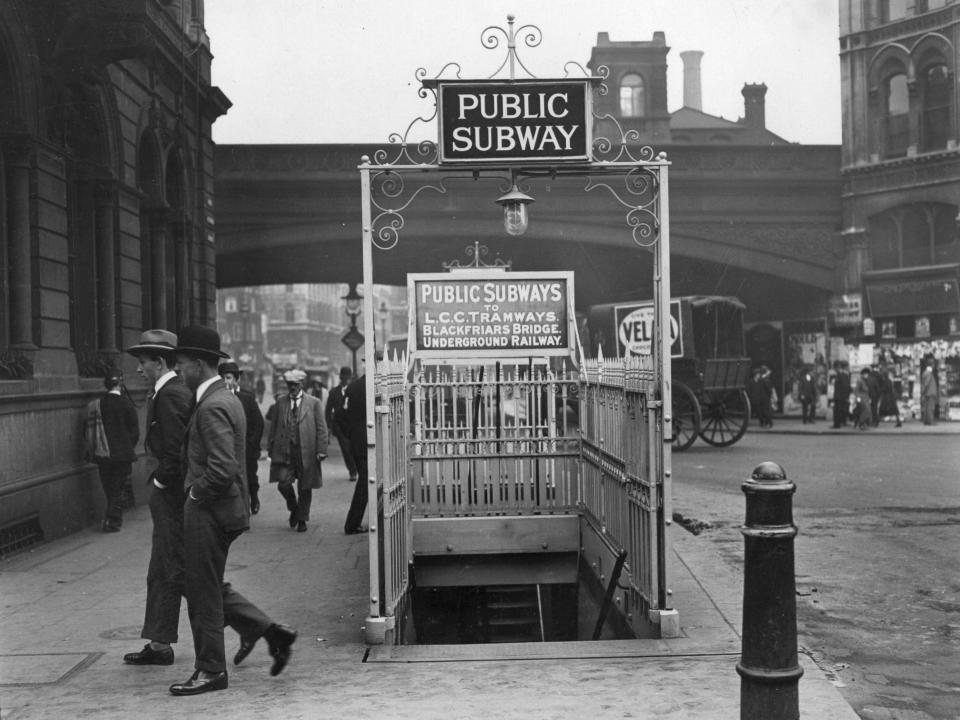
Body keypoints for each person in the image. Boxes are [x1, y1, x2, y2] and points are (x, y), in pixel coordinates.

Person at [170, 325, 296, 696]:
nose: (178, 372)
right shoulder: (225, 398)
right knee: (199, 582)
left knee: (202, 591)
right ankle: (271, 632)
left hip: (209, 510)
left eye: (180, 365)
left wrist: (195, 495)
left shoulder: (212, 406)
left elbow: (222, 469)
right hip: (220, 509)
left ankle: (211, 669)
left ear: (197, 363)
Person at [123, 329, 194, 667]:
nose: (139, 369)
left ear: (160, 362)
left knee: (172, 569)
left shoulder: (171, 395)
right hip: (168, 496)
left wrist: (163, 482)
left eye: (143, 362)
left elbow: (179, 448)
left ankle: (258, 626)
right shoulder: (166, 392)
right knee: (163, 569)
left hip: (172, 497)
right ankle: (159, 642)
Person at [266, 369, 328, 532]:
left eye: (294, 384)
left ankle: (302, 519)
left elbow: (322, 428)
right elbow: (273, 427)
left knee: (305, 486)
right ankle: (294, 508)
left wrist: (322, 449)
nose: (291, 387)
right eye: (289, 384)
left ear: (302, 384)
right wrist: (270, 448)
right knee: (283, 484)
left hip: (307, 451)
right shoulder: (281, 402)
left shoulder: (314, 403)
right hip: (285, 451)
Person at [85, 368, 139, 532]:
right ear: (120, 383)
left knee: (109, 487)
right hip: (122, 455)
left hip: (103, 454)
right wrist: (127, 446)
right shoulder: (127, 404)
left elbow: (86, 430)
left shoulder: (97, 405)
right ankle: (112, 520)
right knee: (118, 487)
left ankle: (112, 519)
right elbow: (135, 432)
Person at [219, 361, 265, 514]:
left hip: (246, 447)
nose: (225, 382)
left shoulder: (247, 398)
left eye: (228, 378)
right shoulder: (217, 398)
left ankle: (254, 496)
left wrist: (251, 445)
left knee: (250, 475)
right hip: (226, 447)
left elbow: (258, 423)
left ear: (236, 379)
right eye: (222, 378)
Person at [341, 373, 369, 535]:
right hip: (368, 441)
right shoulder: (374, 385)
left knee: (365, 482)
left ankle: (355, 522)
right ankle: (352, 524)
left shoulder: (352, 387)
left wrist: (350, 434)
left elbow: (340, 414)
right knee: (365, 483)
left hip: (357, 442)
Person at [325, 366, 358, 481]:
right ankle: (352, 471)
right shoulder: (333, 392)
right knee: (345, 449)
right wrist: (329, 426)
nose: (346, 379)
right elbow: (328, 409)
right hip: (339, 425)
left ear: (351, 377)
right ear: (340, 377)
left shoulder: (355, 389)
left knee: (354, 447)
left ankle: (355, 467)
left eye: (348, 377)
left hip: (353, 424)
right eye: (344, 377)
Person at [831, 361, 851, 429]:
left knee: (839, 410)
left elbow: (845, 386)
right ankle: (838, 424)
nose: (849, 367)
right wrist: (846, 396)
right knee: (838, 410)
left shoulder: (841, 375)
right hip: (840, 396)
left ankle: (839, 423)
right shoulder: (842, 375)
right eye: (848, 366)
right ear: (845, 367)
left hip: (840, 396)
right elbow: (845, 386)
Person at [921, 361, 939, 425]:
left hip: (928, 393)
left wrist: (923, 392)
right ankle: (930, 421)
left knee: (927, 407)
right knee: (930, 408)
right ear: (932, 365)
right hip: (930, 393)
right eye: (933, 365)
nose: (934, 367)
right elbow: (926, 383)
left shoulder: (925, 373)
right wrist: (923, 391)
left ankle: (926, 421)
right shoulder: (928, 373)